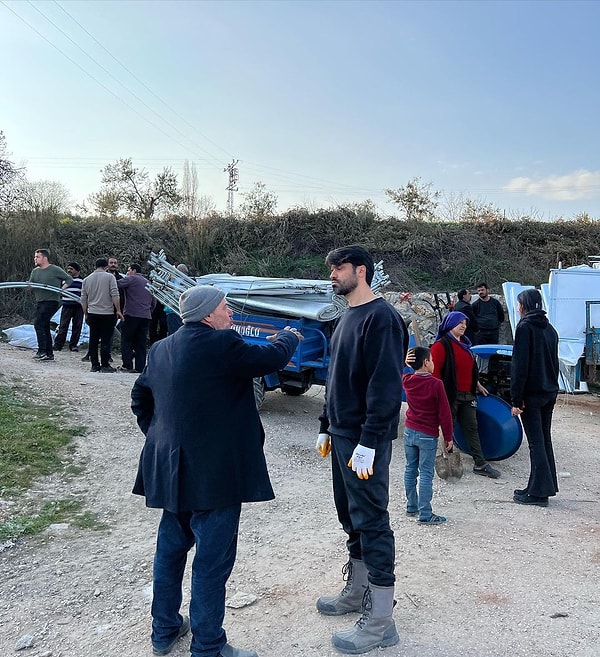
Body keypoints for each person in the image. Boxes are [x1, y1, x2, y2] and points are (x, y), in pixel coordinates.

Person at [131, 285, 300, 657]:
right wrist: (289, 335)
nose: (231, 314)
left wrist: (163, 437)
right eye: (226, 308)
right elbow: (270, 358)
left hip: (170, 471)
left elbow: (140, 397)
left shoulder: (161, 349)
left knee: (170, 552)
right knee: (211, 561)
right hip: (214, 477)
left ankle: (165, 631)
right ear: (208, 315)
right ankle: (208, 646)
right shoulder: (222, 344)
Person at [316, 245, 404, 655]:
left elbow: (385, 386)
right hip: (341, 433)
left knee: (371, 518)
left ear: (361, 271)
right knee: (349, 514)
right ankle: (357, 590)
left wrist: (370, 441)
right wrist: (325, 425)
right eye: (331, 268)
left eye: (339, 268)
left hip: (364, 440)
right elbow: (335, 378)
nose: (332, 274)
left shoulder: (382, 318)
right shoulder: (346, 315)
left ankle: (381, 621)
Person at [430, 311, 501, 479]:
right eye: (459, 323)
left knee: (472, 428)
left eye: (465, 323)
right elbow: (435, 372)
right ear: (449, 324)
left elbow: (468, 369)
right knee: (448, 429)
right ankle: (449, 460)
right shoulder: (441, 346)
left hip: (467, 394)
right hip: (450, 395)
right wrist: (438, 396)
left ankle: (480, 464)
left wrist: (477, 384)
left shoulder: (465, 345)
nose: (463, 325)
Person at [510, 289, 559, 507]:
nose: (518, 307)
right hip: (549, 391)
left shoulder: (525, 328)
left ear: (525, 305)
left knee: (536, 443)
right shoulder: (550, 329)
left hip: (531, 393)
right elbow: (554, 364)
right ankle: (540, 486)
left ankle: (539, 493)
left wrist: (516, 398)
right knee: (544, 441)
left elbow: (520, 366)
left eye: (519, 303)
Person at [403, 346, 454, 524]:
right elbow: (445, 414)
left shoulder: (407, 380)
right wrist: (449, 437)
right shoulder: (436, 384)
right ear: (426, 362)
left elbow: (399, 373)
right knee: (425, 473)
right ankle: (425, 514)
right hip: (427, 434)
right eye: (431, 360)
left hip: (409, 431)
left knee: (410, 469)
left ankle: (411, 506)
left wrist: (407, 365)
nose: (433, 362)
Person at [28, 249, 72, 361]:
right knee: (44, 325)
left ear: (44, 258)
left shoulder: (54, 269)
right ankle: (49, 353)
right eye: (35, 256)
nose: (35, 259)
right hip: (40, 301)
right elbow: (31, 284)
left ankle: (42, 351)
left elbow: (69, 279)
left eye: (37, 257)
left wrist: (61, 289)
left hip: (51, 301)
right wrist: (29, 287)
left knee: (38, 324)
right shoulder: (35, 271)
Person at [81, 258, 123, 373]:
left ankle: (94, 365)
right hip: (107, 313)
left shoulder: (86, 279)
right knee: (105, 339)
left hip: (92, 313)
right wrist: (118, 310)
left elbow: (83, 299)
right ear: (106, 267)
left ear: (95, 266)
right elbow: (115, 294)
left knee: (93, 339)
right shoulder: (110, 277)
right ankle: (105, 364)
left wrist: (85, 313)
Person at [117, 263, 155, 373]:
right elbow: (154, 301)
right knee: (141, 342)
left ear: (133, 270)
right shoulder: (148, 282)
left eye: (128, 270)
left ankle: (127, 365)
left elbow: (117, 284)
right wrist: (148, 311)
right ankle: (140, 367)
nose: (127, 273)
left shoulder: (131, 279)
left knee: (126, 339)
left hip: (132, 314)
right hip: (146, 316)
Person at [53, 262, 84, 353]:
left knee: (77, 326)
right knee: (63, 326)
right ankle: (58, 345)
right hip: (66, 306)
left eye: (71, 269)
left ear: (77, 270)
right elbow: (60, 292)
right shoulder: (64, 281)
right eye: (68, 268)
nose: (69, 270)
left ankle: (73, 345)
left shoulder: (82, 281)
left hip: (78, 307)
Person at [165, 264, 190, 335]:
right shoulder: (184, 282)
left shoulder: (174, 282)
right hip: (179, 311)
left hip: (173, 311)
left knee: (174, 334)